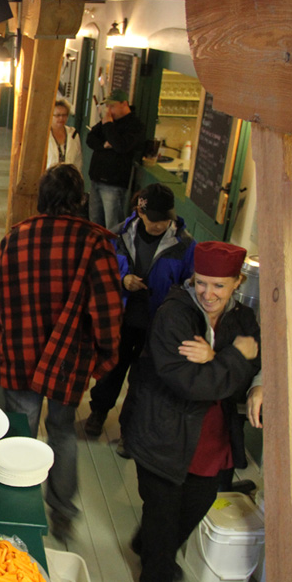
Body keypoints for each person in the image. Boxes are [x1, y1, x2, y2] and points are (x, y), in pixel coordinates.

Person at [0, 163, 123, 540]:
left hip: (19, 351)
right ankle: (62, 515)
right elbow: (107, 311)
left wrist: (5, 338)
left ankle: (16, 510)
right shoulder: (95, 244)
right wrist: (103, 360)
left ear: (41, 199)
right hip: (69, 359)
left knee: (19, 433)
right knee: (62, 433)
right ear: (80, 201)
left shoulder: (16, 237)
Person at [123, 241, 260, 582]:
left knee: (195, 506)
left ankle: (149, 543)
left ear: (237, 282)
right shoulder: (174, 315)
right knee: (163, 516)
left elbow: (254, 362)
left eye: (219, 285)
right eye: (201, 282)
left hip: (212, 438)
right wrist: (233, 358)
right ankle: (157, 568)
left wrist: (217, 361)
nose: (208, 293)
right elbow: (192, 385)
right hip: (162, 434)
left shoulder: (243, 318)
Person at [84, 183, 195, 440]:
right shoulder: (118, 236)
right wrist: (123, 281)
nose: (159, 225)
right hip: (122, 319)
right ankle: (99, 411)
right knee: (112, 368)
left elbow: (190, 285)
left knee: (145, 377)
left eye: (164, 219)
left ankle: (131, 427)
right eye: (153, 219)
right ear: (140, 212)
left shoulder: (185, 246)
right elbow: (98, 274)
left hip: (158, 323)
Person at [86, 89, 146, 229]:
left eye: (112, 106)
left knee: (112, 225)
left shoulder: (135, 126)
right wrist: (104, 145)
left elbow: (120, 146)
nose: (109, 110)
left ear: (124, 104)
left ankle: (112, 250)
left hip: (114, 183)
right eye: (107, 106)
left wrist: (108, 125)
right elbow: (90, 139)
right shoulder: (108, 121)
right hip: (96, 179)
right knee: (94, 223)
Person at [46, 99, 82, 174]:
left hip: (68, 179)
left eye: (64, 115)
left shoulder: (73, 135)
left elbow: (78, 160)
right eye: (58, 115)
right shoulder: (45, 135)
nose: (61, 118)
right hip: (49, 179)